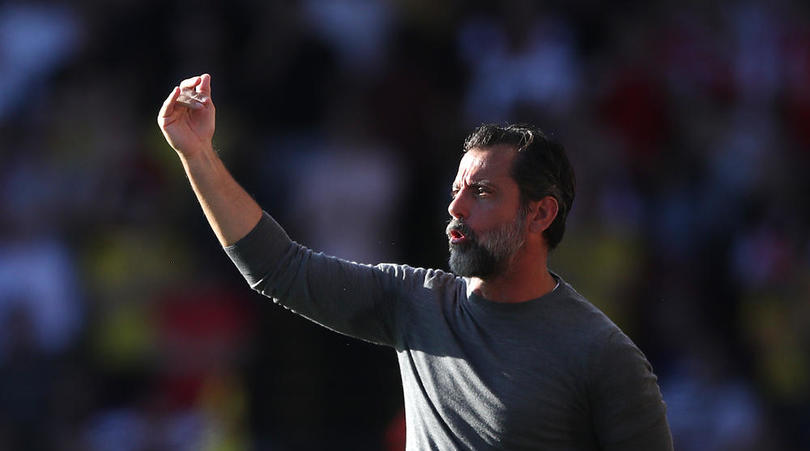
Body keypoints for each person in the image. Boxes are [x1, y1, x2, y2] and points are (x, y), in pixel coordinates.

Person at [158, 74, 673, 450]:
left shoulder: (605, 357)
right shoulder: (414, 301)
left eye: (483, 193)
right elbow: (279, 267)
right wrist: (198, 155)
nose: (457, 208)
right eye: (456, 191)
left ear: (540, 213)